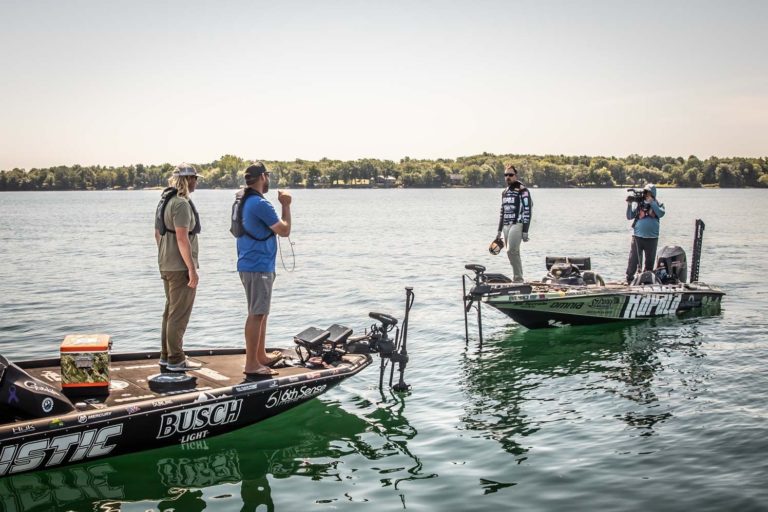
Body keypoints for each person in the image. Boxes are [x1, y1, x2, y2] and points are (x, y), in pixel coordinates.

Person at [236, 162, 292, 381]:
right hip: (257, 265)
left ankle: (260, 355)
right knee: (257, 313)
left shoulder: (245, 199)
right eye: (267, 176)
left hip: (254, 264)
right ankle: (252, 364)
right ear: (262, 177)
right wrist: (286, 205)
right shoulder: (259, 203)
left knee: (261, 311)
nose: (269, 180)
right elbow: (284, 230)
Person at [155, 163, 202, 371]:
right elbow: (183, 239)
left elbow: (157, 233)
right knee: (179, 314)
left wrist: (165, 254)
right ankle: (176, 359)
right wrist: (191, 269)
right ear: (188, 180)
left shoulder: (165, 201)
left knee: (170, 312)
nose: (196, 182)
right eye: (195, 178)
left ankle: (166, 355)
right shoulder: (181, 204)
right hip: (179, 267)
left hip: (166, 264)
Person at [496, 164, 533, 282]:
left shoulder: (523, 190)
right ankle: (517, 277)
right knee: (511, 254)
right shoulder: (504, 192)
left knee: (511, 250)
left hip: (517, 223)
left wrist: (525, 231)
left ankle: (518, 279)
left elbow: (528, 209)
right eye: (506, 175)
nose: (508, 177)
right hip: (506, 225)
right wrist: (499, 230)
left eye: (510, 175)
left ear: (516, 176)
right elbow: (502, 211)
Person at [625, 183, 665, 284]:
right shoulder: (639, 204)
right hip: (638, 237)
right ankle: (629, 278)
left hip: (652, 238)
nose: (646, 195)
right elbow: (629, 216)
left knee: (649, 262)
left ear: (653, 194)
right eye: (645, 193)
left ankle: (646, 279)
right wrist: (629, 204)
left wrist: (652, 203)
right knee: (633, 259)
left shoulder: (659, 204)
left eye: (649, 193)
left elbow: (660, 213)